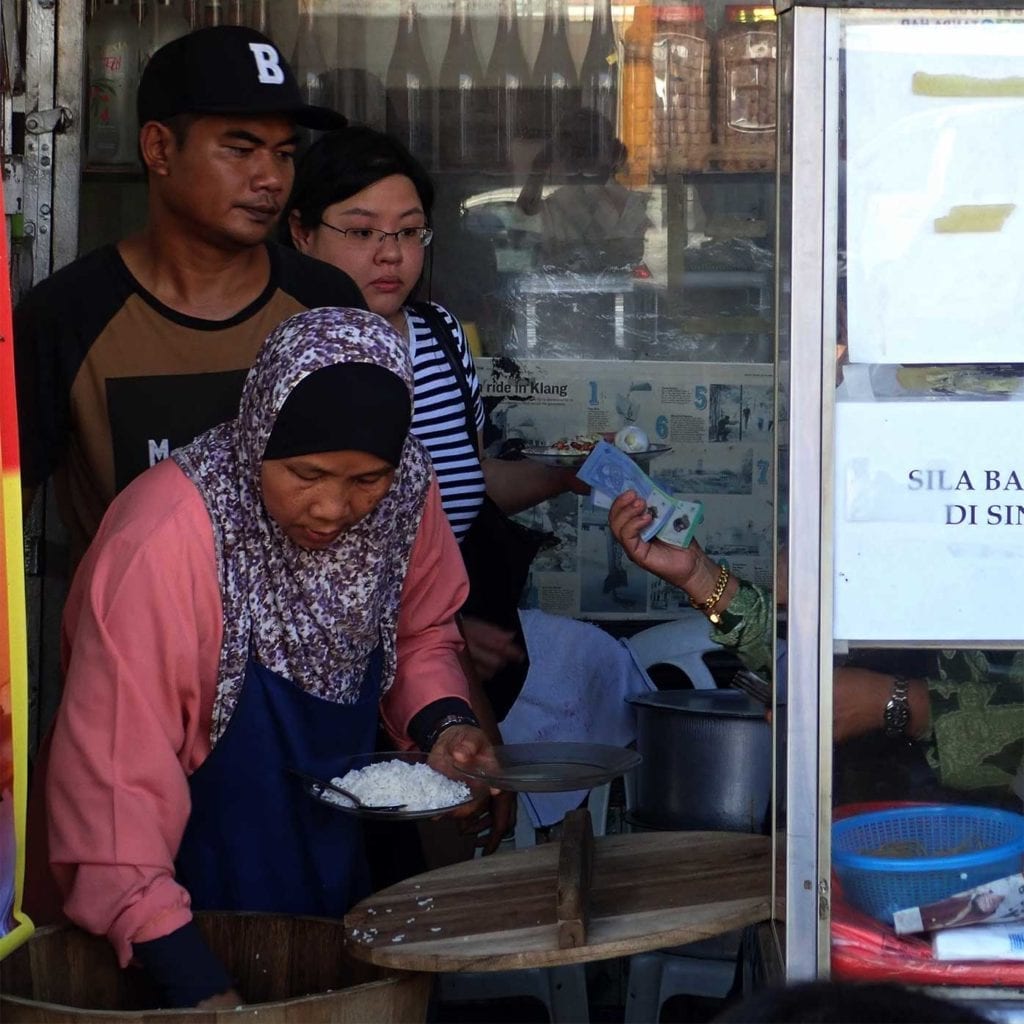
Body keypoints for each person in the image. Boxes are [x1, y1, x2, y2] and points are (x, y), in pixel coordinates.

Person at [36, 307, 496, 1009]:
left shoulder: (407, 493)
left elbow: (420, 632)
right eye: (306, 474)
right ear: (257, 436)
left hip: (327, 868)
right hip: (170, 895)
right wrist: (182, 965)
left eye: (365, 479)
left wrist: (444, 726)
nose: (334, 507)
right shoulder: (165, 538)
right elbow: (112, 774)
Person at [284, 126, 654, 838]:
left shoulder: (441, 335)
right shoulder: (293, 354)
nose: (390, 254)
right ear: (302, 233)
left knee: (471, 814)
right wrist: (434, 628)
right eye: (361, 231)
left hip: (450, 631)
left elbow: (470, 480)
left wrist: (566, 476)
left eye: (410, 231)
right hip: (358, 655)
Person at [13, 26, 365, 569]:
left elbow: (376, 495)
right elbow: (11, 511)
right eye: (241, 149)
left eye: (284, 153)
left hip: (293, 652)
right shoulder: (67, 314)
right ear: (159, 148)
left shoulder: (325, 304)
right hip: (131, 646)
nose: (271, 177)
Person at [609, 490, 1024, 808]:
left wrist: (904, 703)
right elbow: (813, 677)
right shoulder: (922, 582)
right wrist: (700, 577)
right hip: (870, 826)